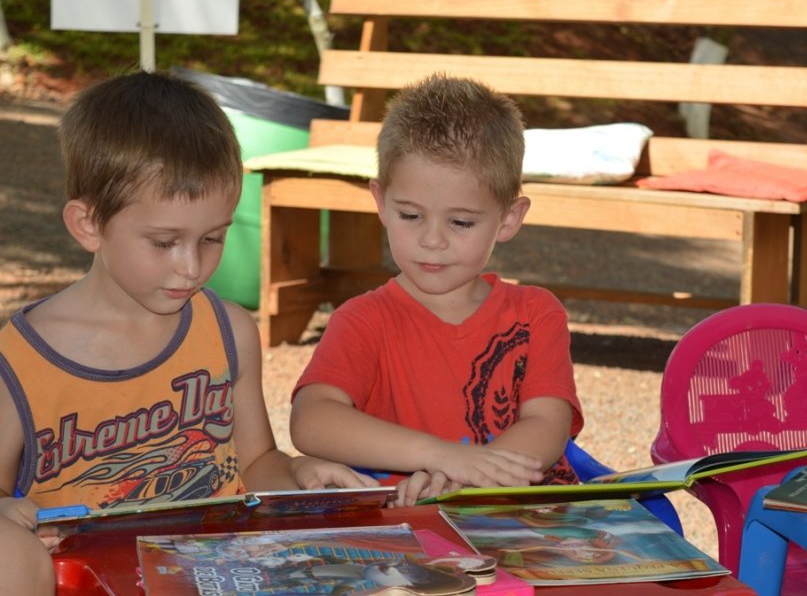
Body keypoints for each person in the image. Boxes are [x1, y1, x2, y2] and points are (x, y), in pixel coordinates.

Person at [0, 70, 377, 595]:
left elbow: (256, 463)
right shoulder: (20, 360)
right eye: (164, 242)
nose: (192, 267)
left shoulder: (229, 332)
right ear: (88, 224)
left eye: (212, 238)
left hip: (226, 576)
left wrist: (300, 473)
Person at [290, 73, 584, 506]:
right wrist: (442, 457)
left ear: (508, 219)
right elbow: (311, 421)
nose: (432, 240)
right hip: (410, 525)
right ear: (381, 202)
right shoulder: (363, 320)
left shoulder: (536, 313)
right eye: (410, 216)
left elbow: (547, 424)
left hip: (519, 519)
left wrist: (468, 478)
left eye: (460, 222)